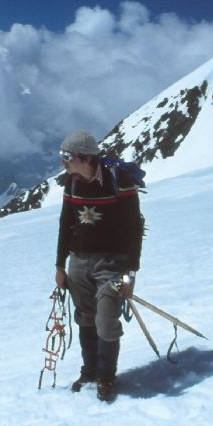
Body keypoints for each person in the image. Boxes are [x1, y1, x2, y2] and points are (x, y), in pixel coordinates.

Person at [54, 129, 143, 402]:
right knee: (85, 318)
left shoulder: (119, 181)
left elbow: (133, 228)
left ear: (86, 158)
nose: (64, 163)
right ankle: (90, 371)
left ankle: (105, 376)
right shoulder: (72, 183)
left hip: (111, 263)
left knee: (105, 321)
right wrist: (60, 266)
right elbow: (65, 224)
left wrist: (130, 273)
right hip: (79, 262)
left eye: (68, 157)